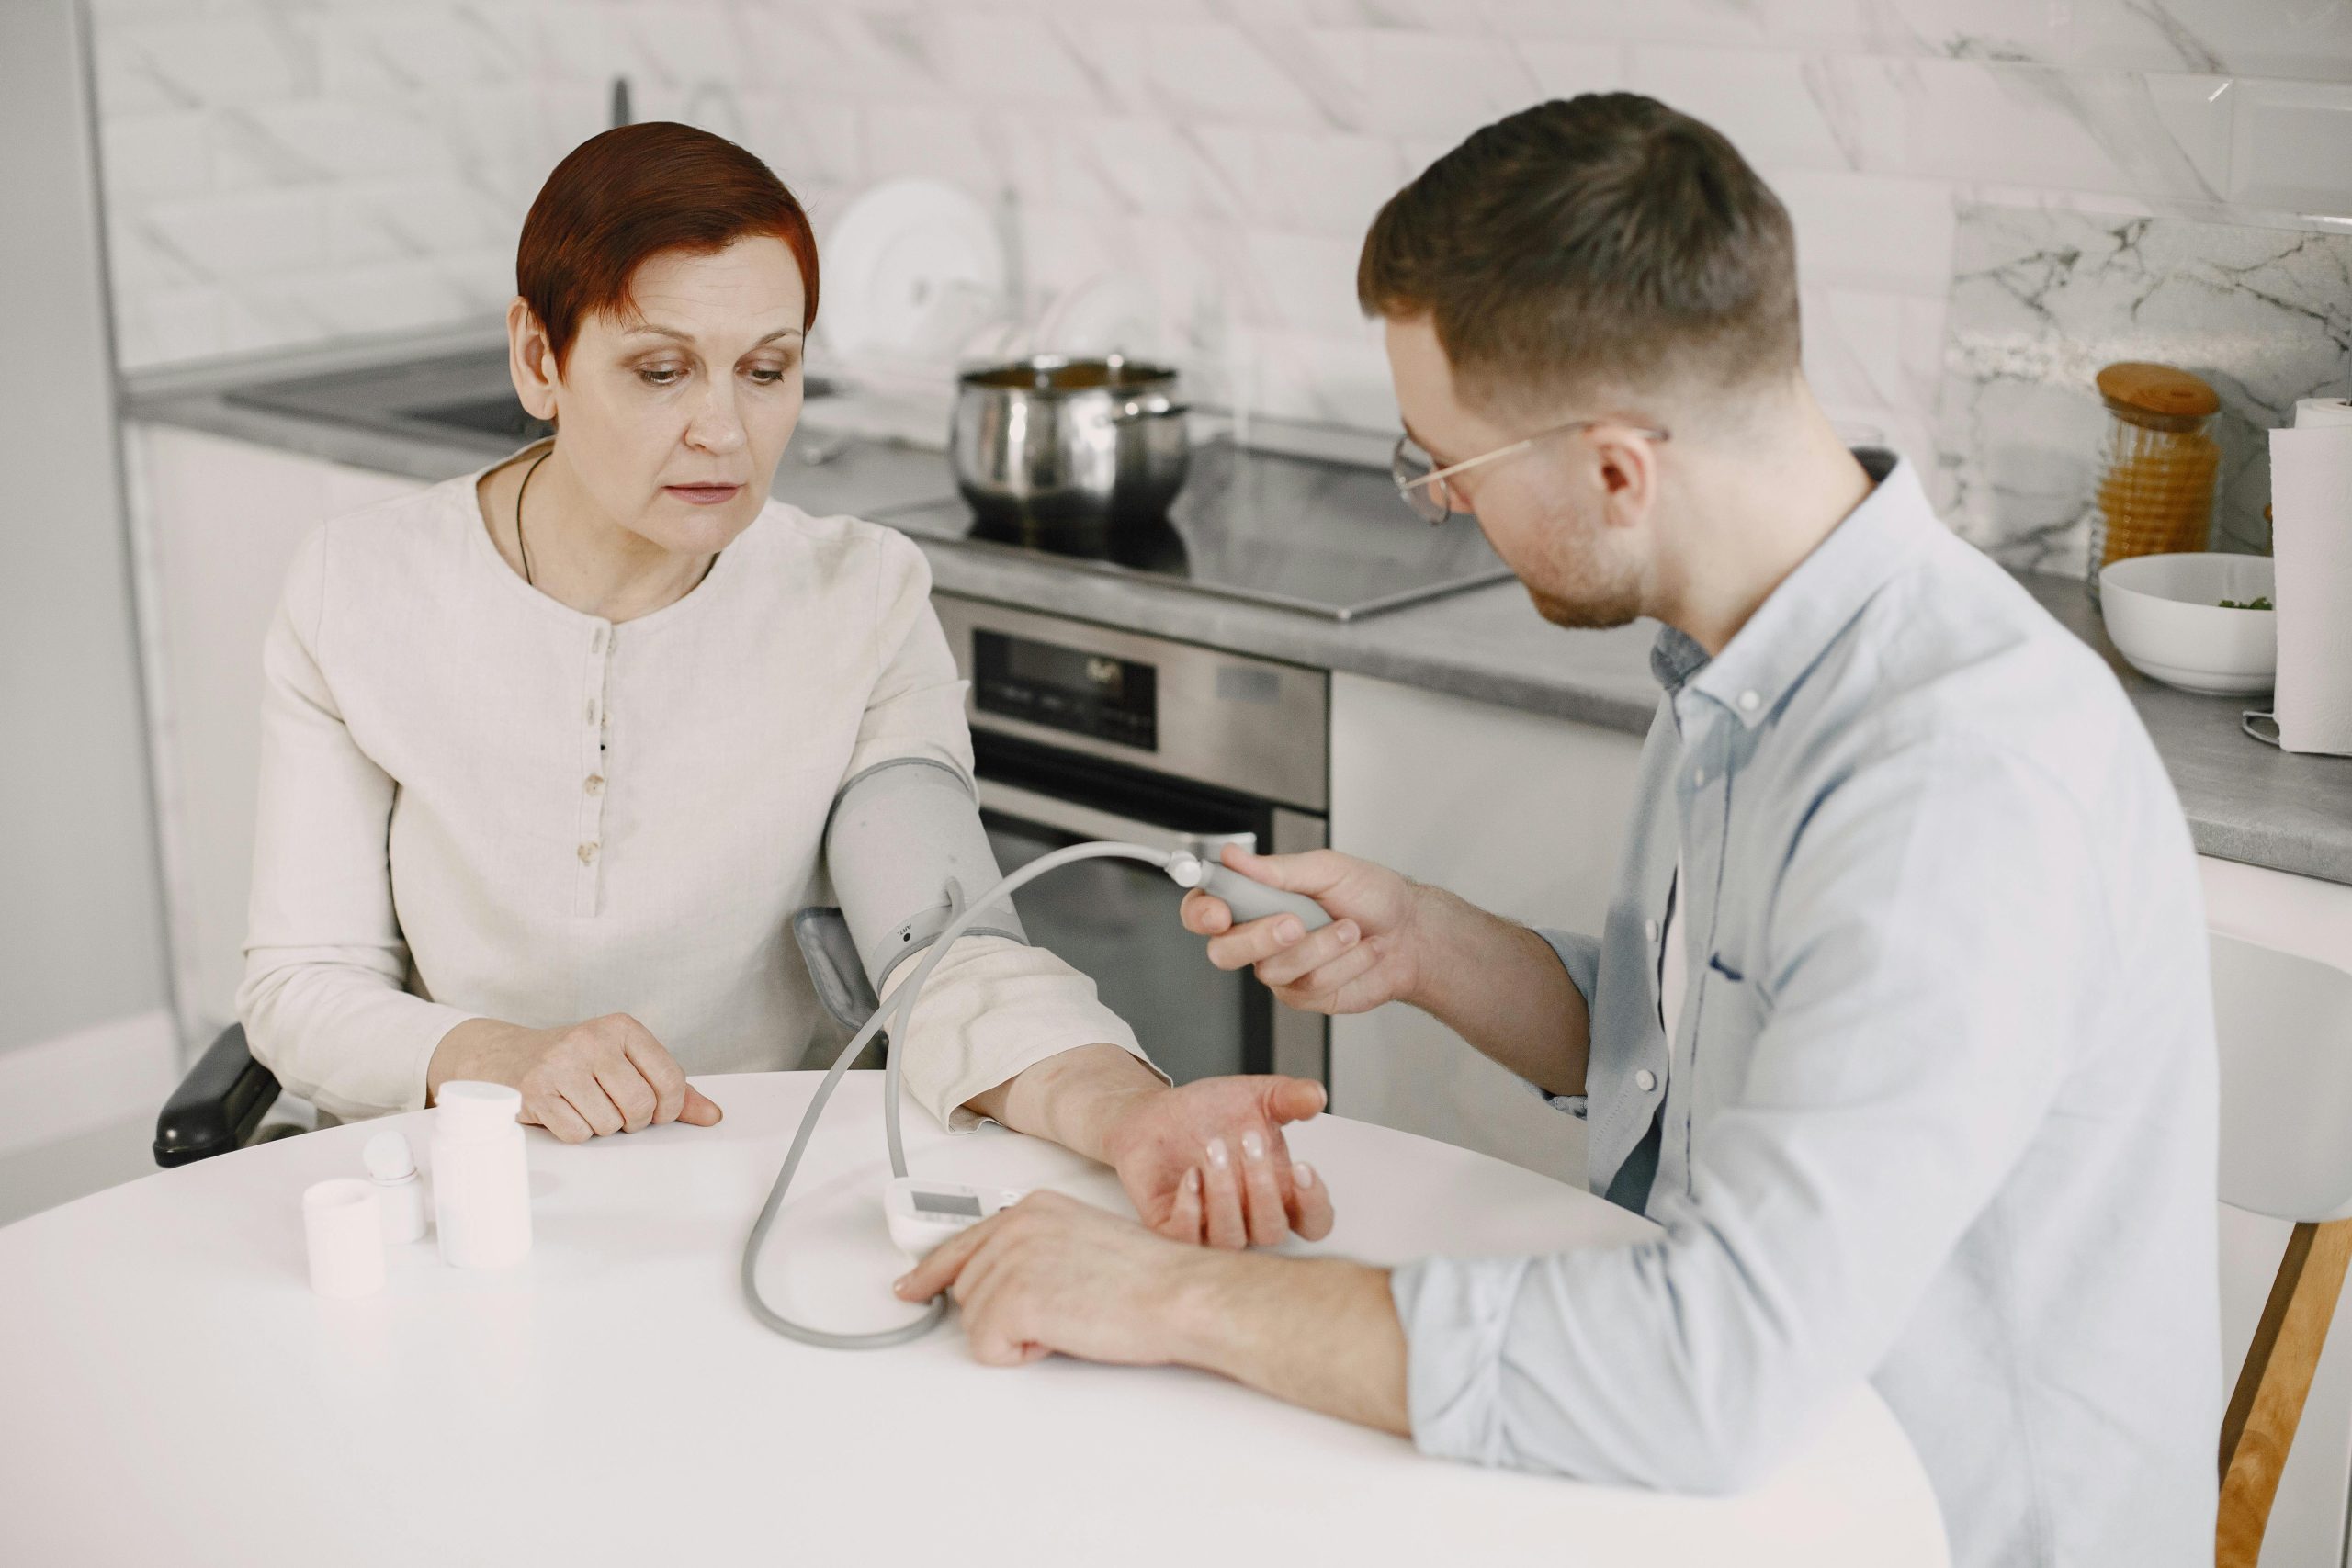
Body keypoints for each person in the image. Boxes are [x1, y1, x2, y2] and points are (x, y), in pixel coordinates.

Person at [897, 94, 2219, 1566]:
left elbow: (1709, 1371)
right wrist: (1426, 942)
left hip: (1913, 1520)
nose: (1444, 505)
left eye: (1444, 463)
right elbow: (1696, 1060)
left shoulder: (1955, 780)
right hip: (1724, 1481)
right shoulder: (1744, 668)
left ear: (1612, 468)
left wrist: (1158, 1293)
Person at [238, 121, 1331, 1251]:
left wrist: (1130, 1113)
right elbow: (304, 983)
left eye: (767, 371)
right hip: (463, 1198)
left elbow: (946, 952)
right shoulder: (357, 591)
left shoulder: (857, 600)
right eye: (661, 371)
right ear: (538, 359)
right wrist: (493, 1058)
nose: (724, 431)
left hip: (762, 1200)